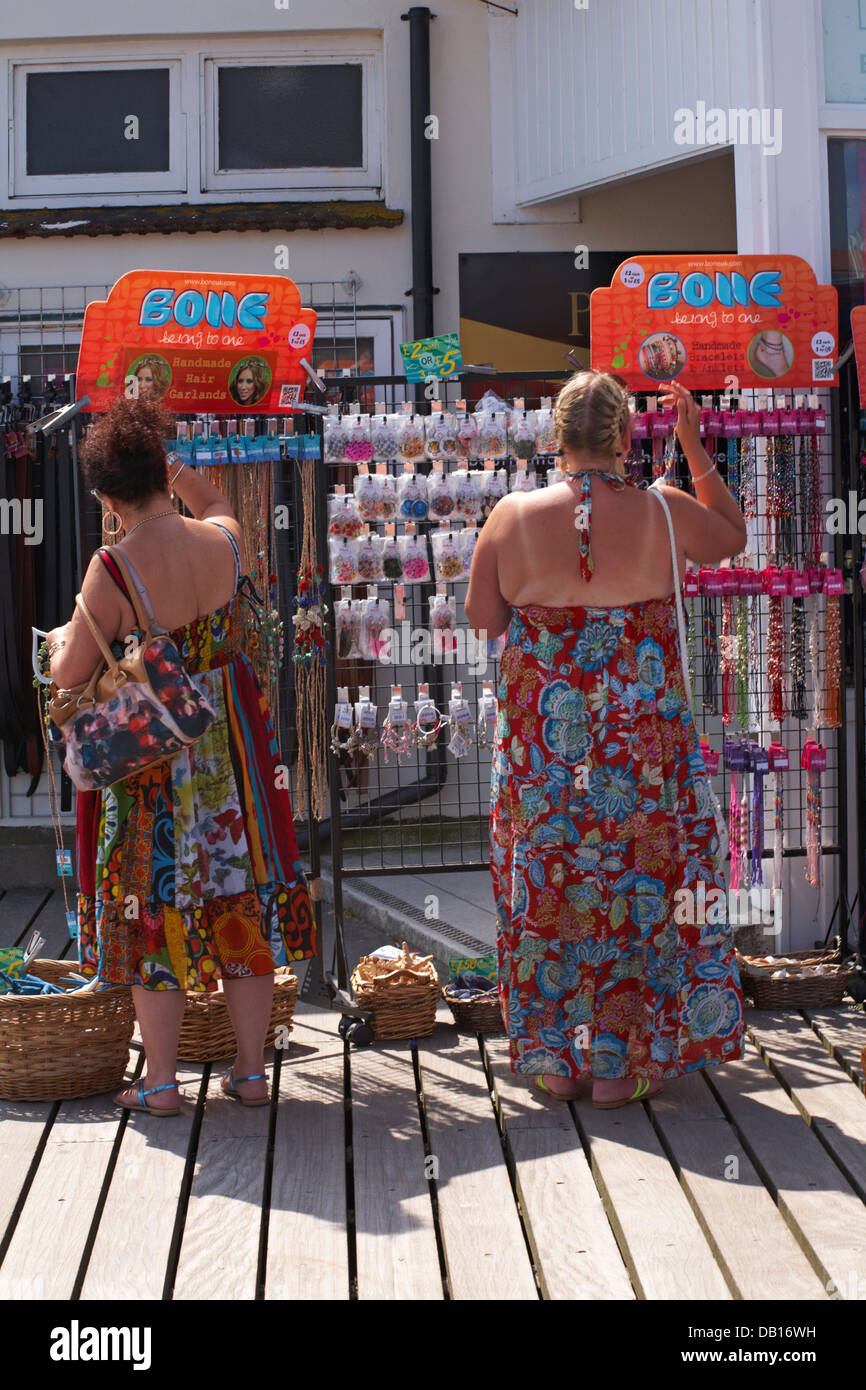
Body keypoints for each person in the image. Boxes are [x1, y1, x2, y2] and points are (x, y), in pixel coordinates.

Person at [465, 371, 746, 1109]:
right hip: (641, 751)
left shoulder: (510, 516)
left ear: (554, 437)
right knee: (640, 893)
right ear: (626, 437)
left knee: (547, 893)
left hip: (543, 752)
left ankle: (554, 1061)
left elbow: (485, 619)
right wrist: (693, 442)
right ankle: (619, 1067)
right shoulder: (662, 509)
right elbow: (732, 536)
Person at [45, 396, 314, 1114]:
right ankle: (252, 1072)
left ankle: (160, 1083)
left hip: (157, 756)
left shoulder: (114, 567)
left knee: (150, 900)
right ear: (162, 473)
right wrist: (185, 475)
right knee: (242, 897)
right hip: (233, 746)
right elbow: (221, 503)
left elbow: (71, 672)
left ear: (106, 494)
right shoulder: (223, 540)